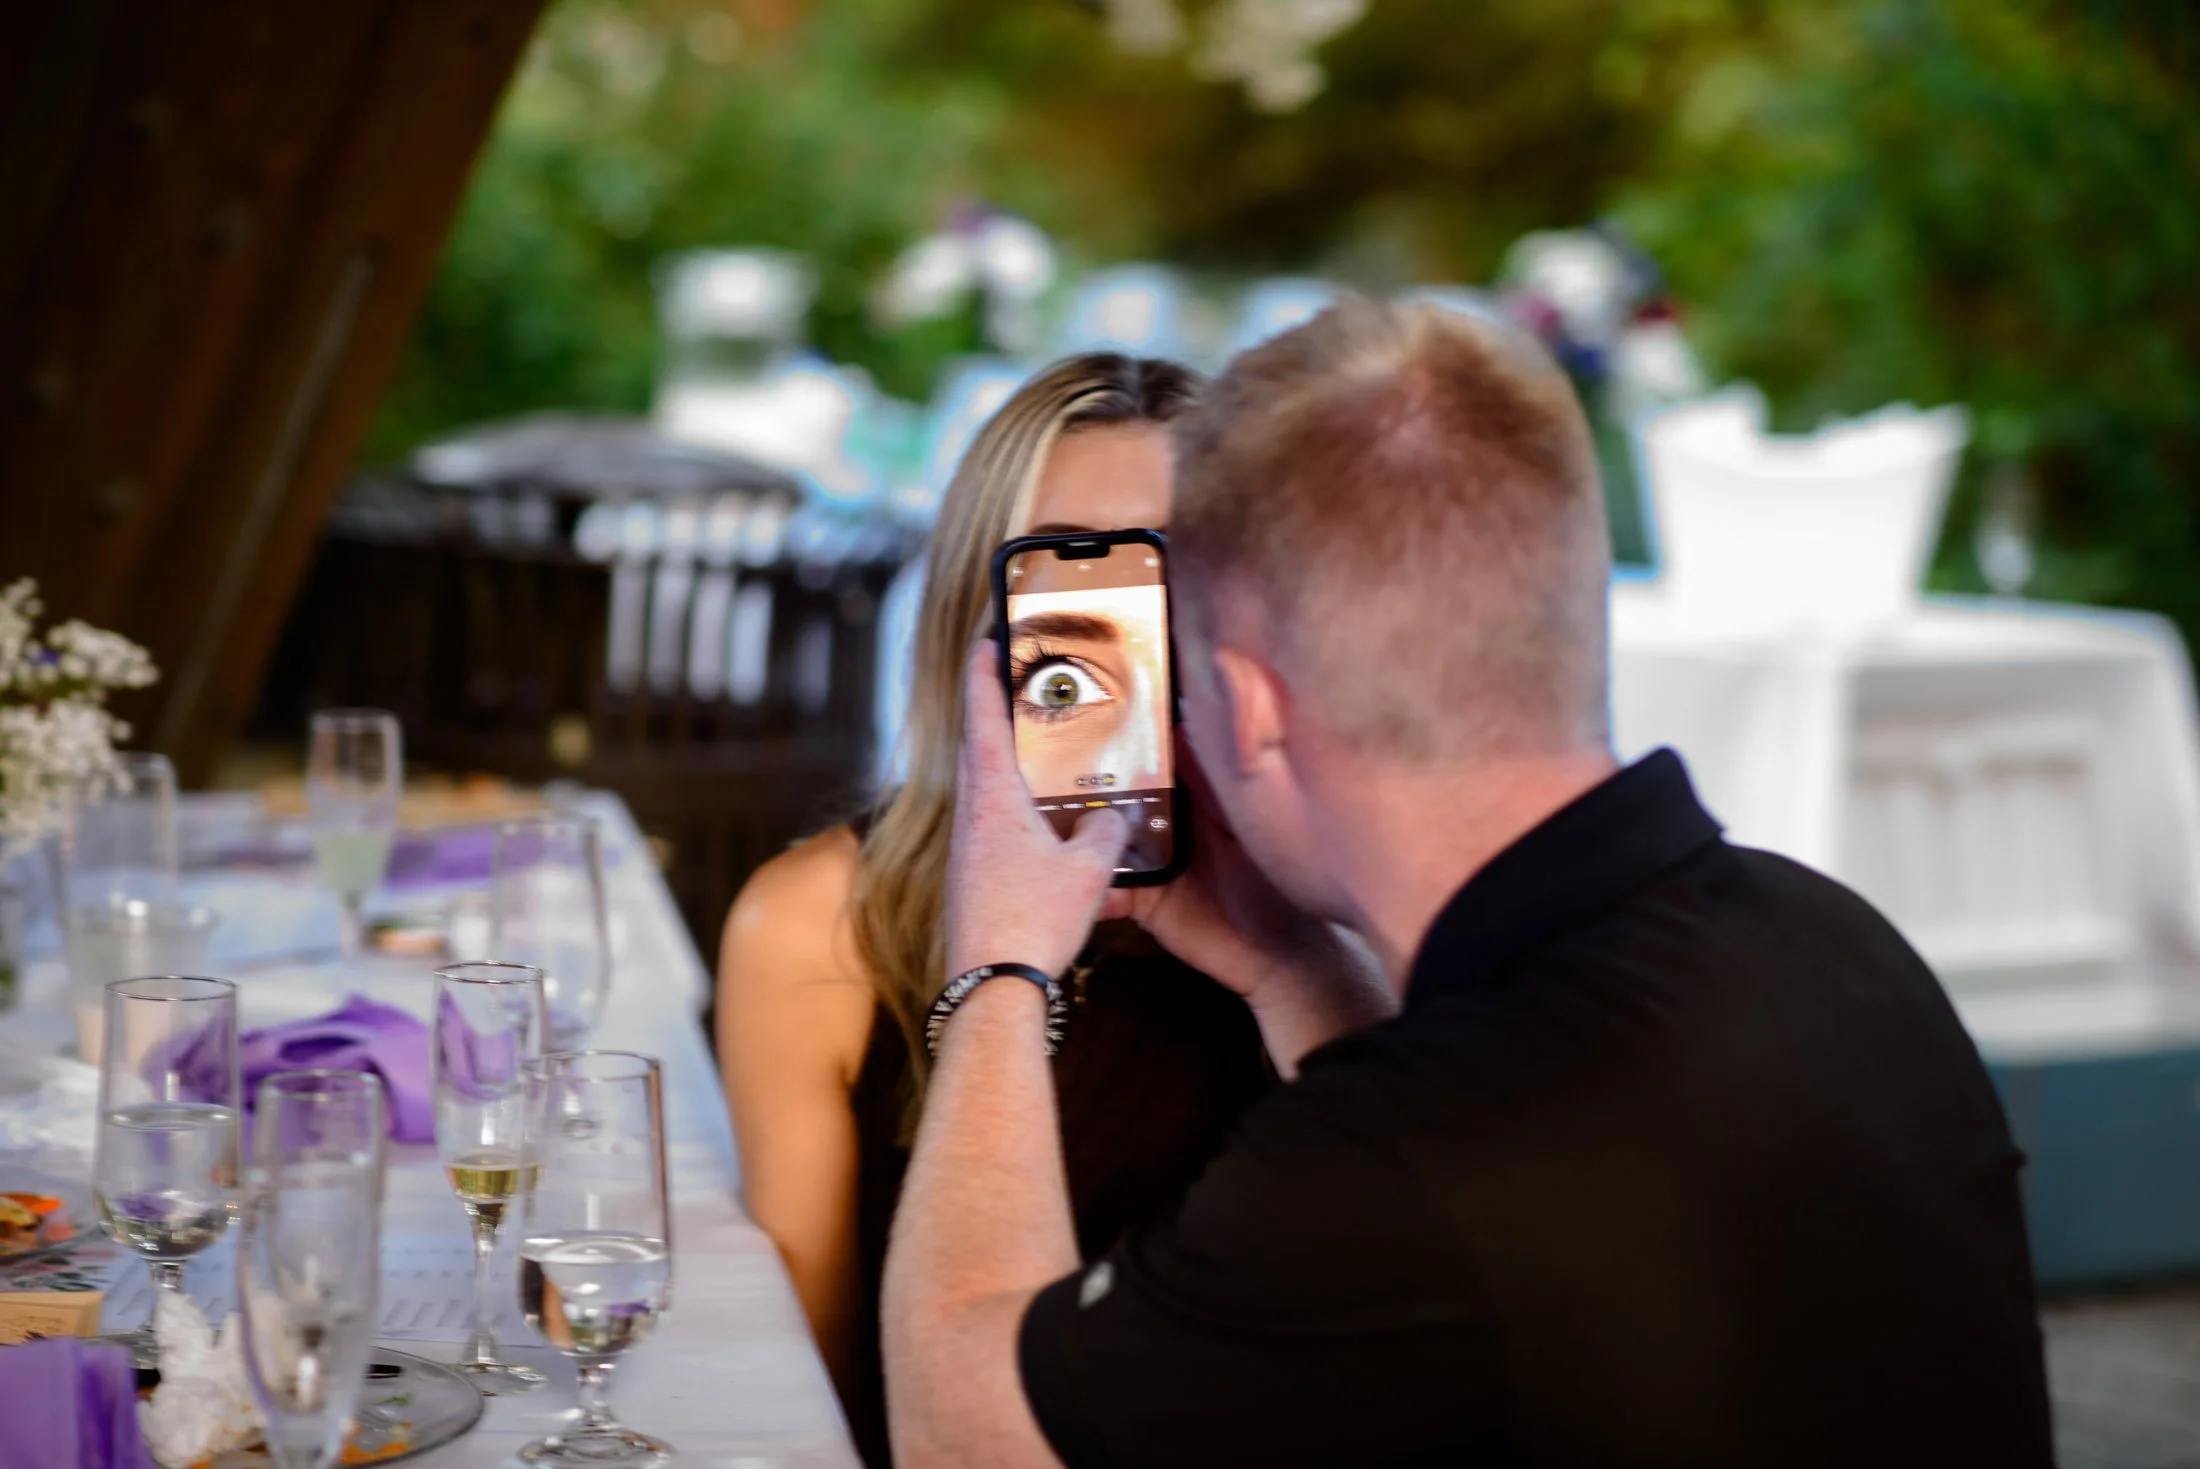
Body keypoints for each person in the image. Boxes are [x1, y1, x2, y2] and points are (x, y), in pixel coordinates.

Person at [882, 297, 2054, 1467]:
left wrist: (997, 965)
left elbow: (961, 1433)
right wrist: (1292, 967)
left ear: (1248, 707)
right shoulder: (1836, 939)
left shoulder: (1407, 1161)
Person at [715, 354, 1273, 1467]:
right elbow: (807, 1402)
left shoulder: (1330, 912)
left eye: (1178, 565)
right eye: (1078, 574)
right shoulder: (824, 923)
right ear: (987, 612)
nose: (1133, 622)